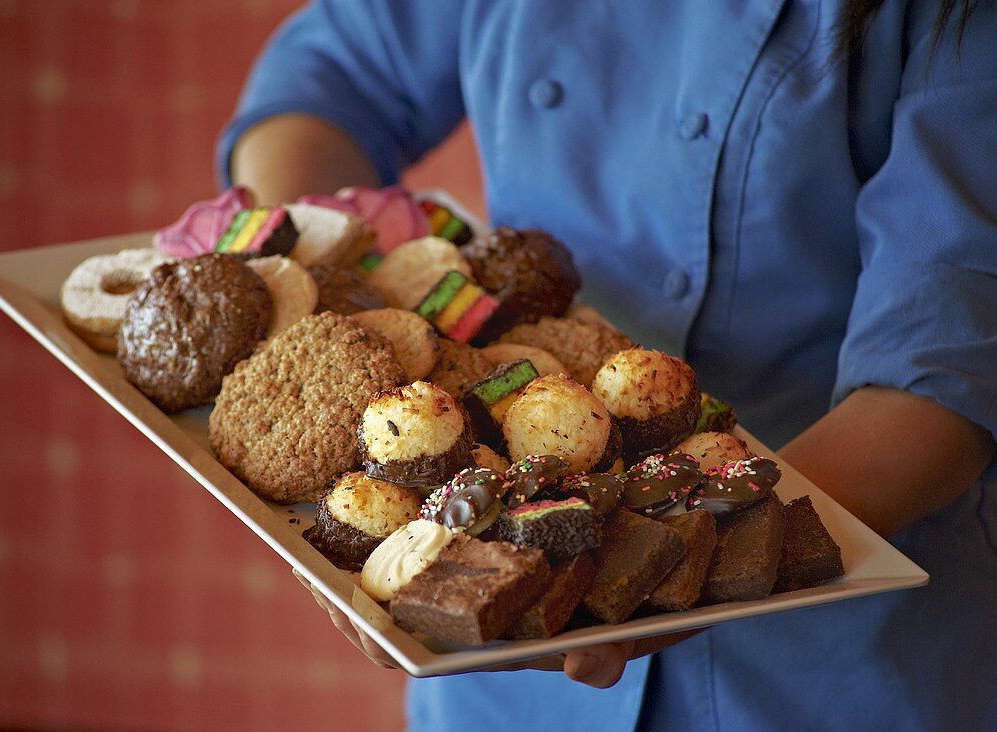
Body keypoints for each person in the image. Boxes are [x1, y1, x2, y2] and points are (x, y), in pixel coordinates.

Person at [217, 2, 997, 729]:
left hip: (828, 629)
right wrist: (310, 306)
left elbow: (944, 355)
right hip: (500, 665)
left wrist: (668, 563)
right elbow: (335, 73)